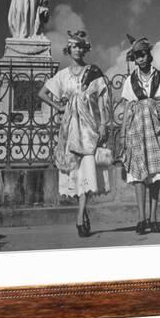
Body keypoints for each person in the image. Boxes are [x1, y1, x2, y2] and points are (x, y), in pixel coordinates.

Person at [38, 30, 110, 237]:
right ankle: (83, 211)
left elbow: (103, 100)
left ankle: (79, 216)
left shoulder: (93, 72)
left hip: (89, 127)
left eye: (81, 46)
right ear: (69, 49)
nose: (77, 49)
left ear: (85, 48)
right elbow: (42, 93)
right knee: (75, 171)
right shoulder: (62, 75)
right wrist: (58, 107)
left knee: (88, 168)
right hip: (70, 127)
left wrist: (104, 123)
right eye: (74, 46)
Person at [118, 35, 160, 235]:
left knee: (155, 176)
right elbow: (127, 108)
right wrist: (123, 133)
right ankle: (141, 218)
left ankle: (153, 218)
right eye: (136, 56)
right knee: (138, 176)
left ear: (148, 55)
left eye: (143, 54)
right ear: (134, 59)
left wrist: (157, 106)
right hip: (136, 131)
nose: (140, 59)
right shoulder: (130, 80)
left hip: (155, 131)